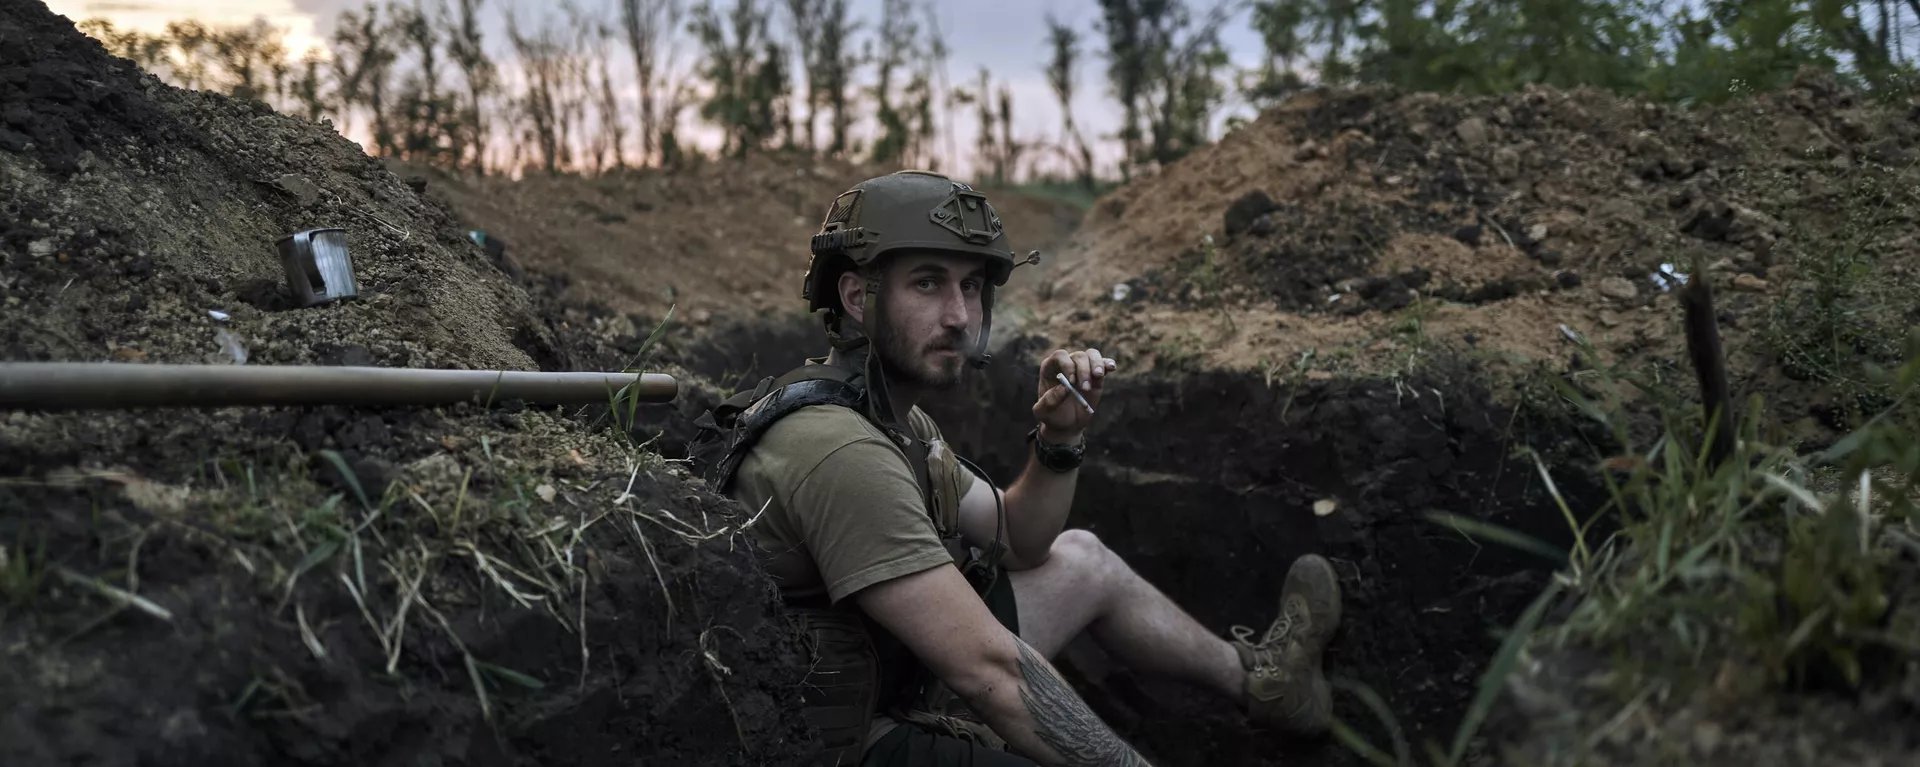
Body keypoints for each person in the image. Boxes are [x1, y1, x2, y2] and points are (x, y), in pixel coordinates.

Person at [700, 170, 1342, 767]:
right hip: (842, 741)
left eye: (971, 287)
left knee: (1082, 558)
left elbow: (1018, 538)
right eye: (927, 283)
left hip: (896, 674)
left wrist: (1059, 440)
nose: (958, 315)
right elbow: (992, 673)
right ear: (856, 296)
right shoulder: (839, 449)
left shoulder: (893, 419)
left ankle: (1269, 683)